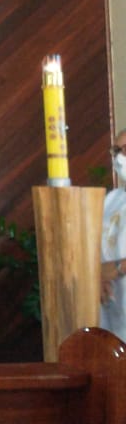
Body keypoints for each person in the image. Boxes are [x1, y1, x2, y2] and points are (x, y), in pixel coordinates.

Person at [100, 128, 126, 341]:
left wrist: (116, 268)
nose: (119, 157)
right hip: (114, 314)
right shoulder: (112, 200)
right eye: (116, 150)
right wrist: (96, 275)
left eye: (125, 149)